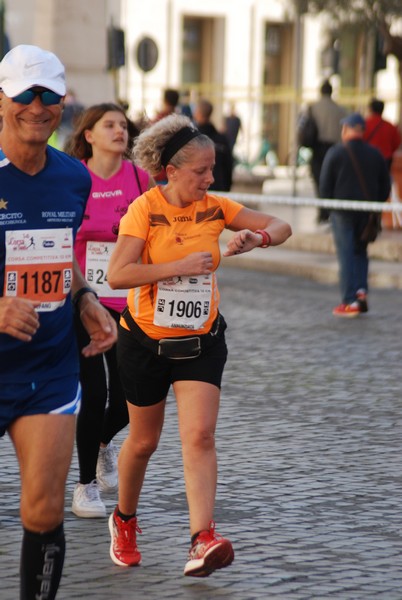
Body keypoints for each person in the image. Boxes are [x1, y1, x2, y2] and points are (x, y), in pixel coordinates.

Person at [105, 113, 292, 577]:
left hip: (201, 341)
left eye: (212, 170)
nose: (210, 179)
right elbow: (118, 274)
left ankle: (201, 537)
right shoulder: (144, 210)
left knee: (200, 436)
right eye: (201, 171)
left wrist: (259, 236)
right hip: (144, 342)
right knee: (144, 442)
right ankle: (124, 519)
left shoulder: (216, 206)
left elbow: (282, 224)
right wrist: (179, 266)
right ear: (171, 171)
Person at [0, 44, 117, 599]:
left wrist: (86, 299)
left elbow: (60, 256)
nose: (38, 106)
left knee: (45, 509)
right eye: (25, 94)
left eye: (49, 94)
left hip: (47, 364)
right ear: (2, 99)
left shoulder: (74, 178)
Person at [66, 103, 153, 518]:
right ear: (89, 134)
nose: (120, 131)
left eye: (123, 125)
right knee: (94, 392)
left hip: (130, 301)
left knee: (125, 401)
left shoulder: (139, 179)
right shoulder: (72, 177)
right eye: (110, 125)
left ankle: (102, 444)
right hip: (84, 302)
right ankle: (84, 487)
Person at [319, 113, 391, 317]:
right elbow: (385, 184)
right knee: (361, 252)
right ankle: (361, 292)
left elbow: (325, 185)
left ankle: (349, 301)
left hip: (342, 212)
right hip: (367, 212)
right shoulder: (375, 153)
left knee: (346, 254)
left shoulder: (336, 152)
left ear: (347, 129)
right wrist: (375, 207)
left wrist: (325, 210)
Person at [309, 79, 347, 223]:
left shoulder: (312, 107)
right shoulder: (340, 109)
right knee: (333, 180)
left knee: (319, 180)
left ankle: (322, 211)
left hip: (317, 148)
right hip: (335, 148)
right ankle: (331, 210)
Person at [193, 98, 233, 191]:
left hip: (198, 189)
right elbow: (229, 165)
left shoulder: (192, 139)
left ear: (198, 113)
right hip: (220, 188)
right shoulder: (221, 139)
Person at [364, 98, 401, 172]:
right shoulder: (390, 126)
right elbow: (397, 142)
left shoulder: (365, 124)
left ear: (370, 109)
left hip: (368, 158)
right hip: (386, 158)